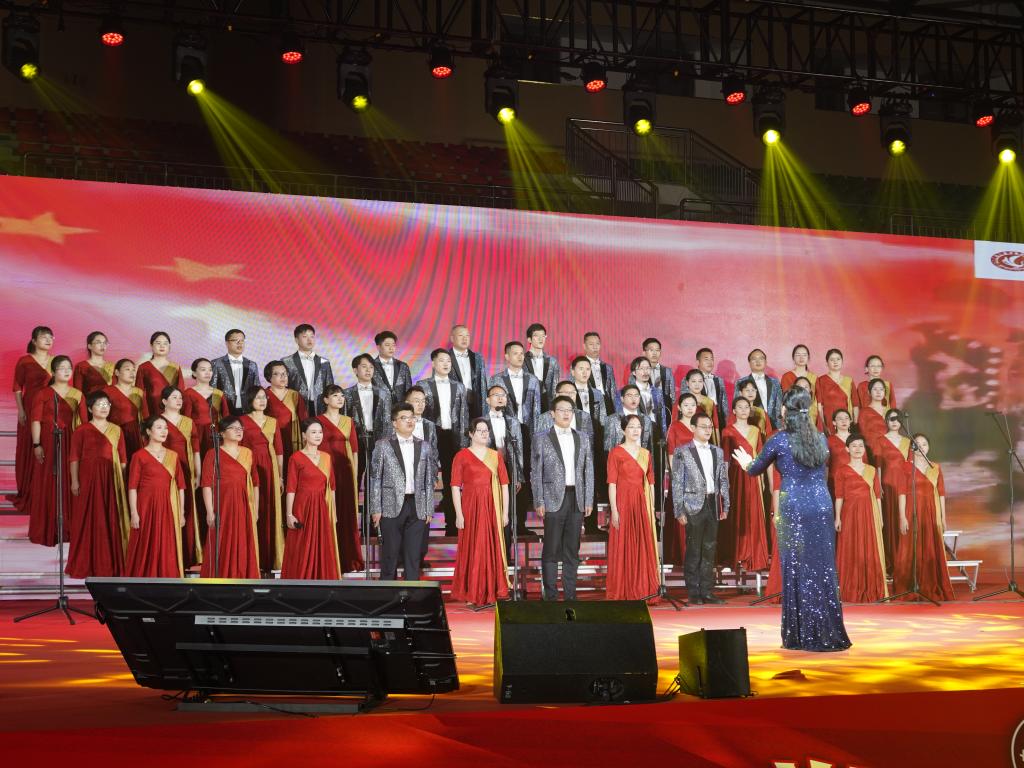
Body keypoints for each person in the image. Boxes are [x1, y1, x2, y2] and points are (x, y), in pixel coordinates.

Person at [732, 387, 851, 651]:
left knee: (796, 568)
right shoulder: (821, 439)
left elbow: (754, 469)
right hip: (821, 506)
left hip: (794, 507)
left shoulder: (779, 440)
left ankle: (800, 635)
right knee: (822, 569)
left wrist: (746, 462)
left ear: (785, 410)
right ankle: (827, 631)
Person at [531, 395, 595, 600]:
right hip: (552, 498)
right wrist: (539, 500)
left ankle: (570, 594)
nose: (566, 414)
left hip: (576, 498)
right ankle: (550, 595)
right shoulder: (541, 437)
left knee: (572, 550)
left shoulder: (582, 437)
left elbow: (588, 470)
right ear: (552, 414)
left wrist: (588, 499)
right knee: (551, 548)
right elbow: (536, 472)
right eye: (562, 410)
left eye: (570, 410)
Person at [367, 405, 438, 581]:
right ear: (394, 423)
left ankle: (411, 594)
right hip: (390, 506)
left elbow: (429, 479)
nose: (409, 421)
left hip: (417, 505)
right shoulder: (383, 445)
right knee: (390, 555)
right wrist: (376, 508)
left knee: (413, 556)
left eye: (412, 417)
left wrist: (429, 508)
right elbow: (375, 478)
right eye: (404, 418)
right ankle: (387, 594)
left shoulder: (424, 446)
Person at [66, 390, 128, 578]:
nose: (104, 408)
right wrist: (75, 480)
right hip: (88, 479)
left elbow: (123, 459)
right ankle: (84, 563)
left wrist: (121, 481)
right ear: (90, 408)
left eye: (106, 404)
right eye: (99, 404)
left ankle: (109, 563)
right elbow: (74, 458)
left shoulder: (117, 430)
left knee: (110, 518)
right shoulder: (81, 430)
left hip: (111, 480)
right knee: (86, 518)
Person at [451, 418, 511, 606]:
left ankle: (491, 591)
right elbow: (455, 487)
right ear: (471, 433)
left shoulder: (495, 455)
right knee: (472, 547)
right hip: (470, 507)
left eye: (486, 430)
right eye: (480, 430)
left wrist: (505, 512)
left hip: (492, 507)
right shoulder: (461, 456)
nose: (485, 434)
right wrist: (459, 514)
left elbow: (504, 485)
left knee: (490, 547)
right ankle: (471, 593)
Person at [671, 413, 729, 604]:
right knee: (694, 549)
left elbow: (723, 479)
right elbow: (677, 482)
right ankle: (693, 591)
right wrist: (679, 510)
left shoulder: (717, 451)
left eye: (710, 427)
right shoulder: (682, 451)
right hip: (692, 504)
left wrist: (725, 504)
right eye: (703, 426)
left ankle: (707, 591)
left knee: (710, 548)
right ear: (693, 428)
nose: (708, 430)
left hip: (713, 503)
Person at [27, 356, 82, 546]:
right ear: (53, 372)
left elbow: (83, 423)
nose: (66, 371)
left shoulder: (77, 394)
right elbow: (36, 420)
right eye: (62, 368)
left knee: (70, 480)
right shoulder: (43, 394)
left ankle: (69, 528)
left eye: (69, 368)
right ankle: (48, 529)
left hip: (71, 441)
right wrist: (37, 444)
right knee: (48, 481)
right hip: (48, 441)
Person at [415, 348, 470, 536]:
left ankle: (452, 526)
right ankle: (421, 524)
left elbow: (463, 415)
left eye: (448, 361)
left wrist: (464, 443)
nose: (446, 364)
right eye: (441, 360)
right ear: (433, 363)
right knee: (425, 477)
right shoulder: (423, 385)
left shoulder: (459, 386)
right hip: (429, 435)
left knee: (452, 481)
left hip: (452, 438)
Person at [894, 433, 954, 602]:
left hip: (930, 513)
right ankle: (909, 586)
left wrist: (943, 518)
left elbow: (941, 494)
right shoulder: (905, 467)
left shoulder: (935, 468)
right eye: (917, 444)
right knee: (909, 549)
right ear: (912, 448)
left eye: (924, 444)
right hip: (911, 512)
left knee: (930, 547)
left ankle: (930, 585)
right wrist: (902, 517)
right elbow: (901, 493)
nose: (921, 447)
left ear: (929, 447)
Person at [606, 414, 660, 601]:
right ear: (623, 430)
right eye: (631, 427)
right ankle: (624, 591)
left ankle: (643, 590)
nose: (635, 430)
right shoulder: (616, 453)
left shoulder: (646, 454)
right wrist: (614, 510)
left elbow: (651, 484)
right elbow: (612, 484)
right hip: (623, 503)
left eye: (638, 427)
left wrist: (651, 507)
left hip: (641, 504)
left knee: (642, 546)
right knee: (623, 545)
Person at [125, 416, 186, 578]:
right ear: (148, 431)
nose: (164, 431)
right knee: (145, 541)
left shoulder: (173, 456)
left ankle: (166, 576)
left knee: (166, 542)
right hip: (145, 506)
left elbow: (181, 487)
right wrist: (134, 513)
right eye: (159, 427)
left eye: (165, 428)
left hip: (168, 506)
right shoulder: (139, 456)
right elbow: (132, 487)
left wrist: (181, 512)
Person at [200, 416, 260, 579]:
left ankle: (243, 577)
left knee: (243, 541)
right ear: (221, 433)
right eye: (234, 428)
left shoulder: (248, 453)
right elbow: (206, 484)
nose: (239, 431)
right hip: (222, 505)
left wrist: (255, 509)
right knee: (222, 541)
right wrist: (209, 511)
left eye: (240, 428)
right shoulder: (213, 453)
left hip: (243, 504)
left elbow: (255, 483)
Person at [281, 419, 341, 580]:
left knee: (322, 544)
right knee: (301, 545)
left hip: (321, 507)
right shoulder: (296, 458)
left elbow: (332, 488)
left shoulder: (326, 458)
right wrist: (289, 514)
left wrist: (334, 512)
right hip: (303, 506)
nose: (318, 435)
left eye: (320, 432)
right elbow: (291, 489)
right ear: (304, 435)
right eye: (313, 432)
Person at [834, 435, 888, 603]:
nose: (858, 449)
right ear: (847, 449)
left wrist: (880, 517)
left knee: (869, 548)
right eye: (854, 446)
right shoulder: (841, 471)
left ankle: (871, 587)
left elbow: (877, 496)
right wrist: (837, 517)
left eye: (861, 446)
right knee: (850, 548)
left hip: (869, 513)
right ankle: (850, 589)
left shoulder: (871, 470)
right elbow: (839, 496)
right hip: (849, 514)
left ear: (864, 449)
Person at [719, 397, 770, 573]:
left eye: (746, 407)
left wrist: (761, 478)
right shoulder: (727, 431)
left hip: (752, 475)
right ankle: (737, 554)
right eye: (739, 407)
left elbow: (761, 457)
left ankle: (754, 554)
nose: (743, 410)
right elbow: (725, 459)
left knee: (753, 512)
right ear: (733, 411)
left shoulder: (756, 430)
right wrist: (725, 481)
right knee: (737, 513)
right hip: (735, 476)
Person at [317, 385, 362, 573]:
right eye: (335, 395)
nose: (340, 398)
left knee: (346, 514)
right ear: (326, 400)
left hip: (345, 472)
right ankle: (328, 559)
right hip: (325, 470)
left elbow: (355, 450)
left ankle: (348, 559)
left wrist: (355, 475)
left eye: (342, 395)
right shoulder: (318, 421)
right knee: (328, 512)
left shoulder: (348, 421)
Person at [240, 386, 285, 573]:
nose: (262, 401)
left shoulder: (273, 422)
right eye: (258, 397)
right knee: (253, 509)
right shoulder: (242, 421)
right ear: (250, 400)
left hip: (270, 468)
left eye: (264, 397)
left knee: (270, 509)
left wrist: (280, 476)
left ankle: (271, 558)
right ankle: (253, 558)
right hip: (249, 466)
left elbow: (279, 452)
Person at [159, 386, 202, 569]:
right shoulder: (157, 422)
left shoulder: (188, 422)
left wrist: (198, 473)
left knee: (187, 510)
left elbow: (196, 450)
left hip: (185, 469)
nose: (179, 401)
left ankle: (187, 555)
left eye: (180, 398)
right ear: (164, 401)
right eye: (174, 397)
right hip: (164, 470)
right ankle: (167, 554)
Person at [13, 325, 55, 511]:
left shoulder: (55, 361)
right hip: (30, 409)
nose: (48, 340)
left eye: (51, 337)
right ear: (34, 340)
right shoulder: (25, 361)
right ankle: (29, 493)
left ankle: (45, 495)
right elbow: (17, 387)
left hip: (50, 410)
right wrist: (21, 410)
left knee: (48, 449)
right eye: (44, 337)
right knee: (29, 448)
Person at [484, 384, 526, 544]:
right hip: (488, 469)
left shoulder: (513, 422)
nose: (500, 398)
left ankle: (506, 552)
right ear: (488, 400)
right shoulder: (481, 422)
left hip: (508, 468)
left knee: (507, 512)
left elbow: (518, 449)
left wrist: (518, 475)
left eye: (503, 395)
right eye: (496, 395)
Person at [874, 408, 911, 573]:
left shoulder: (907, 441)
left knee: (904, 520)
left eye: (897, 419)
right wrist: (879, 485)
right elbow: (878, 465)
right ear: (886, 421)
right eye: (891, 419)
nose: (895, 422)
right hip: (887, 485)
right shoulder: (880, 440)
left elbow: (910, 465)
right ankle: (891, 562)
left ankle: (904, 561)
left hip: (904, 485)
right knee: (889, 522)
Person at [265, 359, 309, 477]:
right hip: (271, 439)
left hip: (292, 439)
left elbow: (304, 420)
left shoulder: (295, 395)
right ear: (269, 377)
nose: (283, 377)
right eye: (277, 374)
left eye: (284, 373)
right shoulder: (264, 395)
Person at [99, 359, 147, 467]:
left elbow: (145, 416)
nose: (132, 373)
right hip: (114, 433)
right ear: (117, 372)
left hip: (135, 435)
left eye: (133, 370)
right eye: (127, 369)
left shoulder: (139, 392)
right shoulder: (107, 392)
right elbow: (101, 416)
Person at [282, 324, 335, 417]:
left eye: (312, 336)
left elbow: (330, 387)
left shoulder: (324, 362)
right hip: (295, 407)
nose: (309, 340)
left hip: (320, 407)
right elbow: (282, 387)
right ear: (296, 340)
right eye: (305, 336)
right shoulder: (286, 362)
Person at [182, 358, 229, 460]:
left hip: (215, 435)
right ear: (194, 373)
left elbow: (226, 418)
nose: (208, 373)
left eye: (210, 370)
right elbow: (185, 419)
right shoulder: (188, 393)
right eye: (203, 369)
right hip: (196, 434)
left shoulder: (218, 394)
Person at [210, 329, 260, 416]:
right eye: (235, 340)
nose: (239, 343)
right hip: (224, 411)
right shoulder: (216, 363)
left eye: (242, 340)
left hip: (248, 412)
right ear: (227, 343)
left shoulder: (252, 365)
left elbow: (256, 389)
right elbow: (212, 388)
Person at [136, 331, 182, 418]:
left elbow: (181, 391)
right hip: (152, 411)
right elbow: (139, 393)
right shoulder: (144, 367)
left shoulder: (175, 367)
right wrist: (144, 415)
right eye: (158, 343)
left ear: (169, 346)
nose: (162, 346)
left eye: (165, 343)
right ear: (151, 345)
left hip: (172, 411)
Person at [735, 349, 782, 430]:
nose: (758, 361)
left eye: (761, 358)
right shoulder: (740, 382)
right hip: (751, 425)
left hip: (773, 426)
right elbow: (737, 405)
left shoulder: (775, 382)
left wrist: (779, 427)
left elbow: (779, 405)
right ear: (749, 363)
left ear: (765, 362)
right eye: (754, 359)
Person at [448, 324, 488, 419]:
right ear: (452, 338)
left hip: (474, 404)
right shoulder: (445, 357)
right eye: (460, 335)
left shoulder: (477, 357)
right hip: (453, 405)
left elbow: (483, 383)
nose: (464, 339)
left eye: (467, 336)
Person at [629, 356, 669, 438]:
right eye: (641, 368)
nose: (645, 372)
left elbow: (663, 417)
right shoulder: (627, 393)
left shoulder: (657, 392)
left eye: (648, 368)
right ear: (634, 372)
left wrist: (664, 436)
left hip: (656, 433)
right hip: (637, 434)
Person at [815, 348, 854, 430]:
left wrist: (853, 423)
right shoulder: (821, 380)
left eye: (838, 359)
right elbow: (819, 406)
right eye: (832, 360)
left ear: (842, 361)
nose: (835, 362)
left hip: (845, 420)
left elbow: (855, 405)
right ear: (827, 363)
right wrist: (824, 425)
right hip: (828, 420)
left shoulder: (849, 380)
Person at [526, 323, 561, 412]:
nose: (541, 339)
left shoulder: (552, 362)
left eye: (543, 336)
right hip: (527, 405)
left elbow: (555, 386)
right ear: (529, 339)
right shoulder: (522, 360)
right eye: (536, 336)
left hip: (547, 406)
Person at [582, 331, 619, 415]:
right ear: (584, 346)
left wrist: (615, 410)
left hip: (607, 404)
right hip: (588, 404)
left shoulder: (608, 367)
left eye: (597, 344)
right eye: (591, 344)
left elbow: (612, 390)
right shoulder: (579, 366)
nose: (595, 347)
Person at [372, 330, 413, 405]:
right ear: (378, 347)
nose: (391, 348)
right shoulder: (371, 366)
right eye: (387, 345)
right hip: (378, 408)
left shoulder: (403, 366)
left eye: (393, 345)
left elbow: (409, 390)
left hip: (400, 408)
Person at [683, 369, 721, 444]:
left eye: (700, 381)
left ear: (703, 383)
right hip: (686, 440)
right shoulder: (681, 402)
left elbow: (716, 426)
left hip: (706, 440)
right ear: (687, 383)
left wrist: (718, 446)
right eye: (693, 381)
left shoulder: (709, 402)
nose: (697, 385)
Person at [696, 347, 728, 431]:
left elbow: (724, 403)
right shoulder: (690, 379)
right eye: (706, 359)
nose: (710, 362)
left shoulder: (719, 380)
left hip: (718, 417)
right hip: (699, 418)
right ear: (698, 362)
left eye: (712, 359)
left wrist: (725, 420)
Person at [73, 331, 114, 396]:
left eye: (105, 343)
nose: (102, 345)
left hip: (110, 401)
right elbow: (77, 393)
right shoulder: (81, 366)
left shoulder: (113, 366)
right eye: (98, 342)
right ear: (89, 346)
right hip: (90, 401)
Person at [642, 337, 675, 417]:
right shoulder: (638, 371)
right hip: (645, 412)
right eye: (651, 350)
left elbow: (672, 394)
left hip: (665, 412)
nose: (654, 353)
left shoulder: (667, 371)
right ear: (644, 353)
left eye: (657, 350)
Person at [405, 386, 438, 455]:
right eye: (417, 401)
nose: (421, 404)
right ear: (407, 403)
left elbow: (434, 451)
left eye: (423, 401)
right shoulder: (400, 424)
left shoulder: (430, 425)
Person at [827, 408, 853, 496]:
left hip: (855, 480)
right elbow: (826, 464)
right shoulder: (829, 440)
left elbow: (864, 462)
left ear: (850, 421)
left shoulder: (857, 439)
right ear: (834, 422)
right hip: (836, 481)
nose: (844, 421)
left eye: (846, 418)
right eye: (840, 419)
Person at [856, 378, 889, 446]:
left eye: (881, 389)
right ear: (869, 392)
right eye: (875, 389)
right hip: (872, 446)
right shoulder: (864, 412)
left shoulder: (889, 411)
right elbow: (863, 434)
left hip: (888, 446)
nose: (878, 392)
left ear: (885, 392)